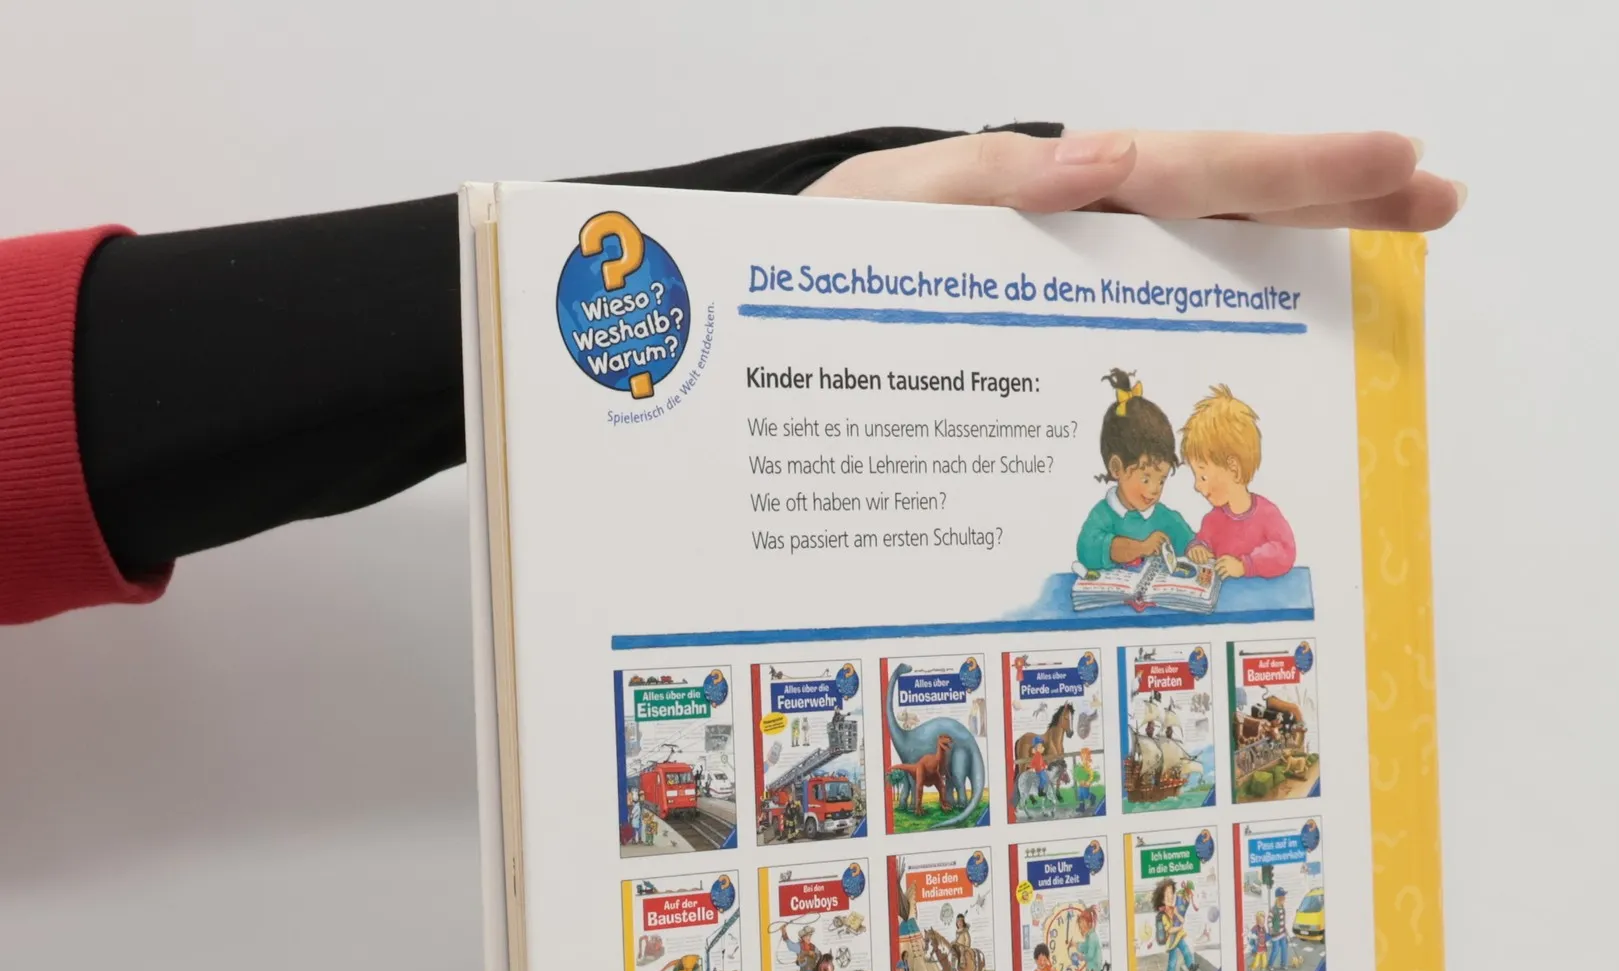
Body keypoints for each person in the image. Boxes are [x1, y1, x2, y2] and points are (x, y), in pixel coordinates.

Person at [0, 128, 1459, 627]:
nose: (1166, 484)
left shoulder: (1220, 520)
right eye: (1157, 469)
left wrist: (769, 226)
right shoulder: (1114, 518)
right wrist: (748, 241)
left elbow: (58, 399)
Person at [1074, 371, 1205, 573]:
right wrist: (1140, 547)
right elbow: (1086, 550)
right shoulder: (1103, 515)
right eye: (1146, 479)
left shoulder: (1163, 517)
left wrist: (1195, 548)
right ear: (1116, 469)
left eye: (1161, 481)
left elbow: (1188, 539)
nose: (1154, 490)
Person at [1180, 385, 1298, 579]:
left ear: (1233, 469)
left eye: (1203, 477)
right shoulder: (1213, 520)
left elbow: (1285, 552)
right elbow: (1202, 541)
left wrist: (1245, 566)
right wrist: (1197, 549)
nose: (1197, 486)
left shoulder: (1267, 514)